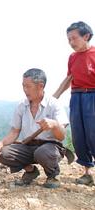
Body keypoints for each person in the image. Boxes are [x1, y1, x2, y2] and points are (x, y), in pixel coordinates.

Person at [0, 68, 69, 189]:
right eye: (23, 86)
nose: (25, 90)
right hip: (28, 145)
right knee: (3, 152)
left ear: (40, 86)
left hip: (50, 147)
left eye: (28, 86)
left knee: (42, 152)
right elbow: (14, 132)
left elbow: (61, 136)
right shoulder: (22, 105)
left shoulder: (54, 104)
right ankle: (31, 171)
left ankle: (53, 175)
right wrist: (1, 143)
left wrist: (55, 125)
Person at [54, 21, 95, 185]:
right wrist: (55, 96)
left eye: (74, 38)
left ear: (86, 36)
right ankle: (87, 173)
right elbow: (69, 78)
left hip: (92, 96)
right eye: (69, 39)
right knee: (79, 135)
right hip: (76, 97)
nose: (71, 43)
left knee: (93, 134)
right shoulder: (72, 57)